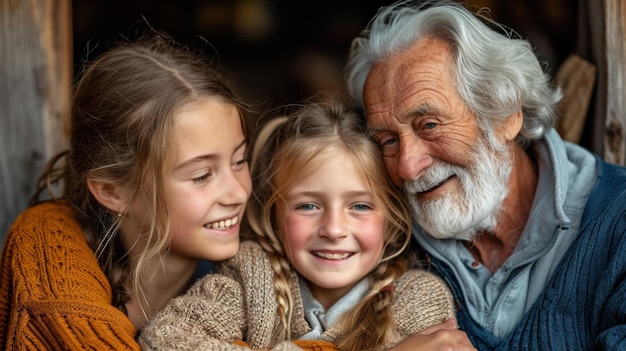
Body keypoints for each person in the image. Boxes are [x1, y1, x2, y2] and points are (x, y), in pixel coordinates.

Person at [345, 0, 626, 350]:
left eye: (429, 125)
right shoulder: (379, 246)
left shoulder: (618, 220)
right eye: (388, 140)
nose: (407, 166)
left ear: (506, 113)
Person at [139, 97, 475, 351]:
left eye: (359, 206)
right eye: (308, 205)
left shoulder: (417, 297)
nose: (333, 229)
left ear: (392, 221)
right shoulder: (251, 278)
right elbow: (165, 338)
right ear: (276, 215)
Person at [0, 33, 252, 350]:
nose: (238, 193)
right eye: (201, 176)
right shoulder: (47, 244)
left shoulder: (256, 277)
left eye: (240, 160)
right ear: (113, 192)